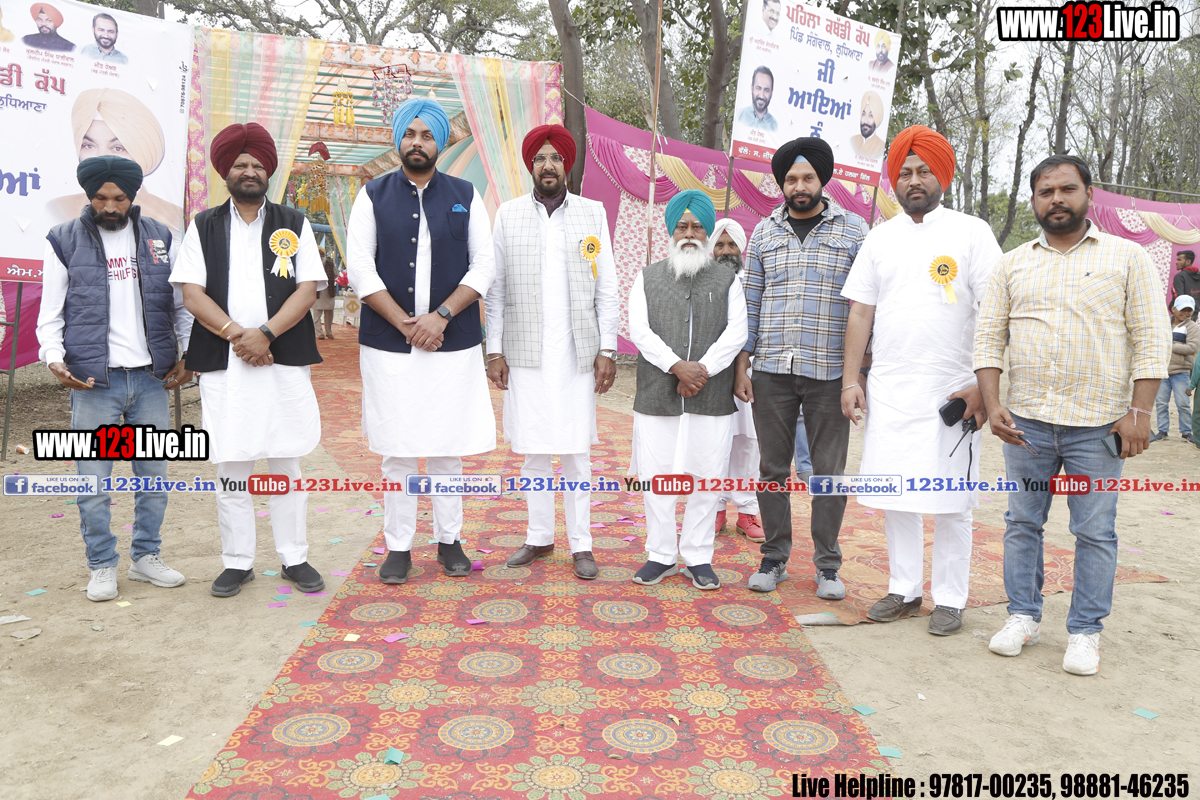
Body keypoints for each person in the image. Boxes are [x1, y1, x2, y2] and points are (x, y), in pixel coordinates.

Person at [975, 154, 1170, 675]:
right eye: (1046, 192)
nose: (1056, 199)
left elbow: (1151, 340)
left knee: (1095, 531)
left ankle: (1085, 632)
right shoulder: (1012, 264)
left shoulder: (1128, 258)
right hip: (1027, 426)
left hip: (1099, 427)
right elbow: (989, 340)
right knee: (1022, 523)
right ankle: (1023, 617)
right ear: (1033, 201)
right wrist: (993, 406)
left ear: (1088, 194)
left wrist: (1139, 411)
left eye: (1067, 189)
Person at [842, 126, 1003, 635]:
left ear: (942, 177)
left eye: (924, 171)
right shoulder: (879, 237)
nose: (914, 181)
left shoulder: (972, 232)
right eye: (906, 172)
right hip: (890, 388)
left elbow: (996, 312)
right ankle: (905, 589)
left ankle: (950, 598)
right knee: (896, 494)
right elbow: (860, 312)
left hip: (953, 389)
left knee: (953, 500)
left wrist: (983, 388)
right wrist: (850, 379)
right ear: (895, 179)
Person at [171, 123, 327, 599]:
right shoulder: (202, 226)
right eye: (240, 164)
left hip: (281, 360)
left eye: (258, 164)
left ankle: (294, 557)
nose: (249, 171)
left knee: (286, 462)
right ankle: (237, 562)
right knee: (231, 464)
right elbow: (191, 293)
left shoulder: (293, 222)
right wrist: (239, 336)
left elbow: (307, 289)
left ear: (268, 171)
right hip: (227, 361)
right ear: (225, 171)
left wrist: (266, 334)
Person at [346, 97, 496, 584]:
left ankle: (450, 541)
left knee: (447, 446)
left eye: (426, 135)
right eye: (409, 134)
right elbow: (360, 268)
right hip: (390, 345)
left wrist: (442, 316)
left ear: (440, 143)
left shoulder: (465, 194)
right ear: (398, 140)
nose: (417, 142)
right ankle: (399, 547)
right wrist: (406, 323)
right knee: (398, 448)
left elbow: (484, 265)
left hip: (451, 342)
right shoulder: (372, 195)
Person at [37, 156, 192, 602]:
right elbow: (51, 313)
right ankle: (102, 564)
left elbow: (179, 306)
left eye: (119, 198)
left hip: (151, 380)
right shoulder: (63, 239)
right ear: (89, 196)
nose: (109, 206)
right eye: (101, 198)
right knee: (93, 484)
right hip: (94, 384)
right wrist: (53, 358)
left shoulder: (162, 237)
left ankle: (146, 557)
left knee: (153, 479)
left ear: (132, 196)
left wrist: (188, 355)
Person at [736, 137, 869, 596]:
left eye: (807, 177)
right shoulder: (764, 233)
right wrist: (742, 365)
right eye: (791, 179)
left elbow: (865, 306)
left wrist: (857, 374)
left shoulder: (854, 231)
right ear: (782, 184)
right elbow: (751, 302)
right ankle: (774, 558)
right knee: (772, 469)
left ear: (822, 179)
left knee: (828, 473)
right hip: (772, 370)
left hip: (830, 373)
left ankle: (828, 566)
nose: (799, 186)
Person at [486, 124, 618, 580]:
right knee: (534, 449)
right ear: (531, 166)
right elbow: (497, 288)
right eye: (540, 158)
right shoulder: (508, 215)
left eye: (555, 158)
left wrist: (607, 347)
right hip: (525, 352)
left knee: (576, 450)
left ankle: (582, 543)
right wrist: (494, 350)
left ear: (567, 165)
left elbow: (607, 286)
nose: (548, 165)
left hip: (578, 351)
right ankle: (539, 536)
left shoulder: (592, 213)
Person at [628, 190, 747, 590]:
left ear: (708, 232)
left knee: (707, 476)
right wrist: (677, 366)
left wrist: (702, 370)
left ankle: (698, 556)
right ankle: (660, 555)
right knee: (657, 476)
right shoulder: (647, 277)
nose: (690, 234)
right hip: (657, 393)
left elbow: (737, 333)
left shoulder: (727, 280)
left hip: (710, 395)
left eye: (697, 227)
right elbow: (640, 330)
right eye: (682, 227)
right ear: (672, 231)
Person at [50, 89, 184, 238]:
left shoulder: (172, 218)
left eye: (117, 148)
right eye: (89, 145)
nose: (102, 157)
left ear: (142, 153)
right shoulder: (58, 209)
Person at [707, 217, 764, 543]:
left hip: (750, 374)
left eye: (732, 245)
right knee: (715, 443)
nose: (726, 251)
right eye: (720, 244)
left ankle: (747, 512)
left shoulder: (753, 282)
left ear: (742, 249)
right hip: (711, 374)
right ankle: (715, 509)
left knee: (748, 444)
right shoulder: (701, 281)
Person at [1152, 295, 1198, 443]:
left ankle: (1186, 432)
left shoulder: (1192, 327)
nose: (1186, 313)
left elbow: (1192, 348)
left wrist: (1168, 344)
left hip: (1181, 372)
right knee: (1161, 402)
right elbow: (1156, 341)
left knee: (1183, 403)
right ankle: (1162, 430)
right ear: (1173, 309)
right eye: (1182, 309)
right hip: (1162, 370)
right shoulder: (1164, 323)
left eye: (1189, 310)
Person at [736, 67, 777, 133]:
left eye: (766, 90)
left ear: (771, 93)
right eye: (758, 88)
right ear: (752, 88)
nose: (761, 95)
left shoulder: (775, 126)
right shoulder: (739, 116)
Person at [850, 92, 886, 158]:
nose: (866, 121)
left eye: (871, 115)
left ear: (878, 118)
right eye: (863, 114)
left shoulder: (881, 146)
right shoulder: (852, 140)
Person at [313, 251, 337, 339]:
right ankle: (320, 333)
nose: (321, 256)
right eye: (319, 254)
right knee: (317, 314)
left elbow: (336, 274)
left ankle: (328, 332)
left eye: (322, 254)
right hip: (317, 292)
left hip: (329, 292)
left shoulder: (330, 264)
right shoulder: (312, 264)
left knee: (329, 314)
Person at [1171, 250, 1200, 321]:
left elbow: (1179, 296)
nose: (1176, 262)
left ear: (1188, 261)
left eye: (1179, 260)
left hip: (1181, 312)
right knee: (1190, 328)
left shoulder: (1180, 276)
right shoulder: (1198, 275)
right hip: (1194, 311)